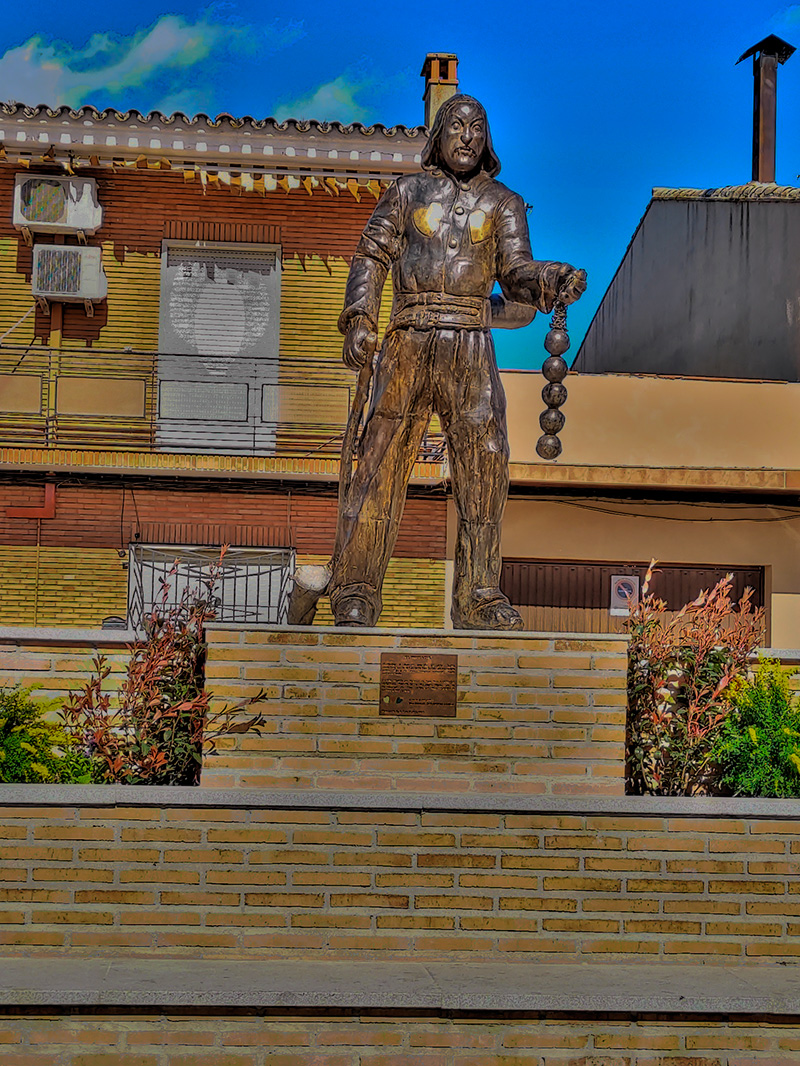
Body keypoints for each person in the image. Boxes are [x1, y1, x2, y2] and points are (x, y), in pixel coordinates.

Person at [329, 93, 586, 629]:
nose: (467, 136)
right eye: (456, 125)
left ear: (487, 140)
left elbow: (514, 273)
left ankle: (479, 593)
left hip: (471, 344)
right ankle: (355, 588)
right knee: (380, 459)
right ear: (438, 136)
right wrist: (359, 319)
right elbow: (370, 255)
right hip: (408, 339)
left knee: (485, 463)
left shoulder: (504, 204)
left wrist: (546, 278)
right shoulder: (406, 192)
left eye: (477, 127)